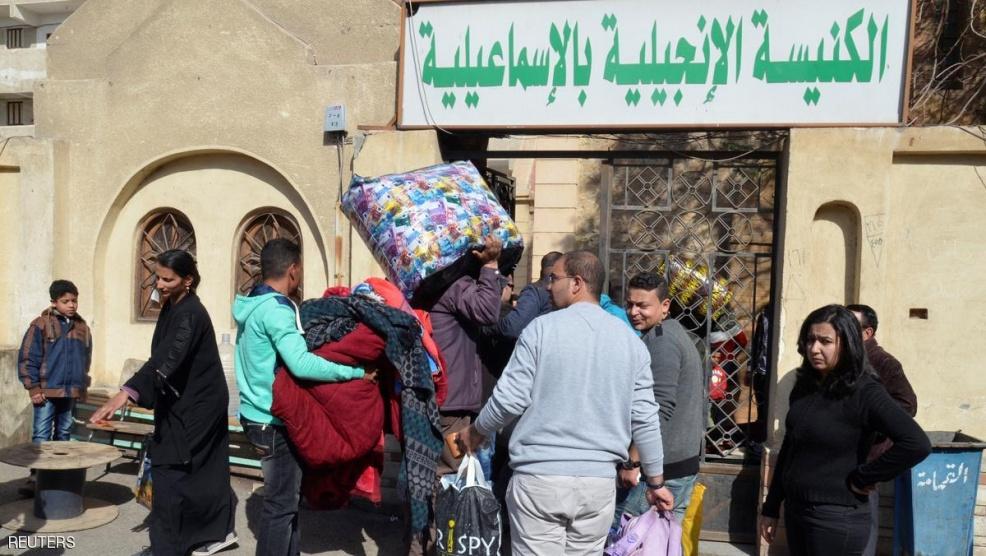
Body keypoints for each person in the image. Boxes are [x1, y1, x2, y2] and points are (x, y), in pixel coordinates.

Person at [458, 250, 673, 556]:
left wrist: (476, 431)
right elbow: (646, 418)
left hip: (539, 481)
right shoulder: (630, 343)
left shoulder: (540, 330)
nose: (548, 286)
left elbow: (509, 399)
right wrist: (655, 482)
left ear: (577, 283)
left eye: (553, 278)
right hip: (596, 486)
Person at [90, 250, 237, 556]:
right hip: (183, 399)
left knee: (174, 468)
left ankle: (172, 546)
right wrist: (132, 388)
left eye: (168, 279)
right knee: (193, 471)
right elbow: (162, 358)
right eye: (157, 276)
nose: (160, 283)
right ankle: (205, 533)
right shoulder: (173, 305)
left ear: (188, 280)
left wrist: (127, 392)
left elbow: (168, 359)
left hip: (200, 406)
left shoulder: (191, 314)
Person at [232, 239, 371, 556]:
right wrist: (354, 374)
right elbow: (301, 363)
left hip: (255, 413)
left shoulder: (252, 303)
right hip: (274, 420)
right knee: (281, 507)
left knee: (285, 503)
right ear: (292, 270)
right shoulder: (278, 309)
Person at [760, 305, 930, 555]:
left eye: (825, 341)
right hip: (797, 512)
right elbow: (790, 447)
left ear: (847, 344)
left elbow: (916, 443)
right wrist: (771, 506)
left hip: (836, 519)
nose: (814, 348)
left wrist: (865, 477)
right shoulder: (805, 387)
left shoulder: (865, 390)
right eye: (810, 340)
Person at [617, 273, 704, 522]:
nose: (634, 312)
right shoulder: (668, 333)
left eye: (643, 305)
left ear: (664, 306)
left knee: (627, 543)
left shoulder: (662, 342)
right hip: (672, 466)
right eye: (630, 304)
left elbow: (657, 408)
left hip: (662, 472)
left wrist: (632, 463)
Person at [846, 303, 918, 556]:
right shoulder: (843, 361)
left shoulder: (884, 363)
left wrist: (872, 427)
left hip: (866, 460)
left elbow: (907, 404)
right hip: (839, 459)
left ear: (868, 333)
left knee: (864, 523)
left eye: (849, 325)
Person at [18, 280, 92, 494]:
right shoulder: (41, 324)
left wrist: (82, 386)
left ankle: (59, 476)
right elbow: (27, 357)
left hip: (69, 392)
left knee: (64, 433)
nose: (71, 305)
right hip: (46, 391)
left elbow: (85, 358)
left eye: (74, 300)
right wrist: (33, 388)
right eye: (65, 301)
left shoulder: (82, 327)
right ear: (54, 302)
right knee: (42, 434)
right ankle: (36, 477)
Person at [490, 251, 562, 340]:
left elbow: (512, 328)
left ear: (541, 271)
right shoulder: (566, 295)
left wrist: (485, 325)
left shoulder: (534, 291)